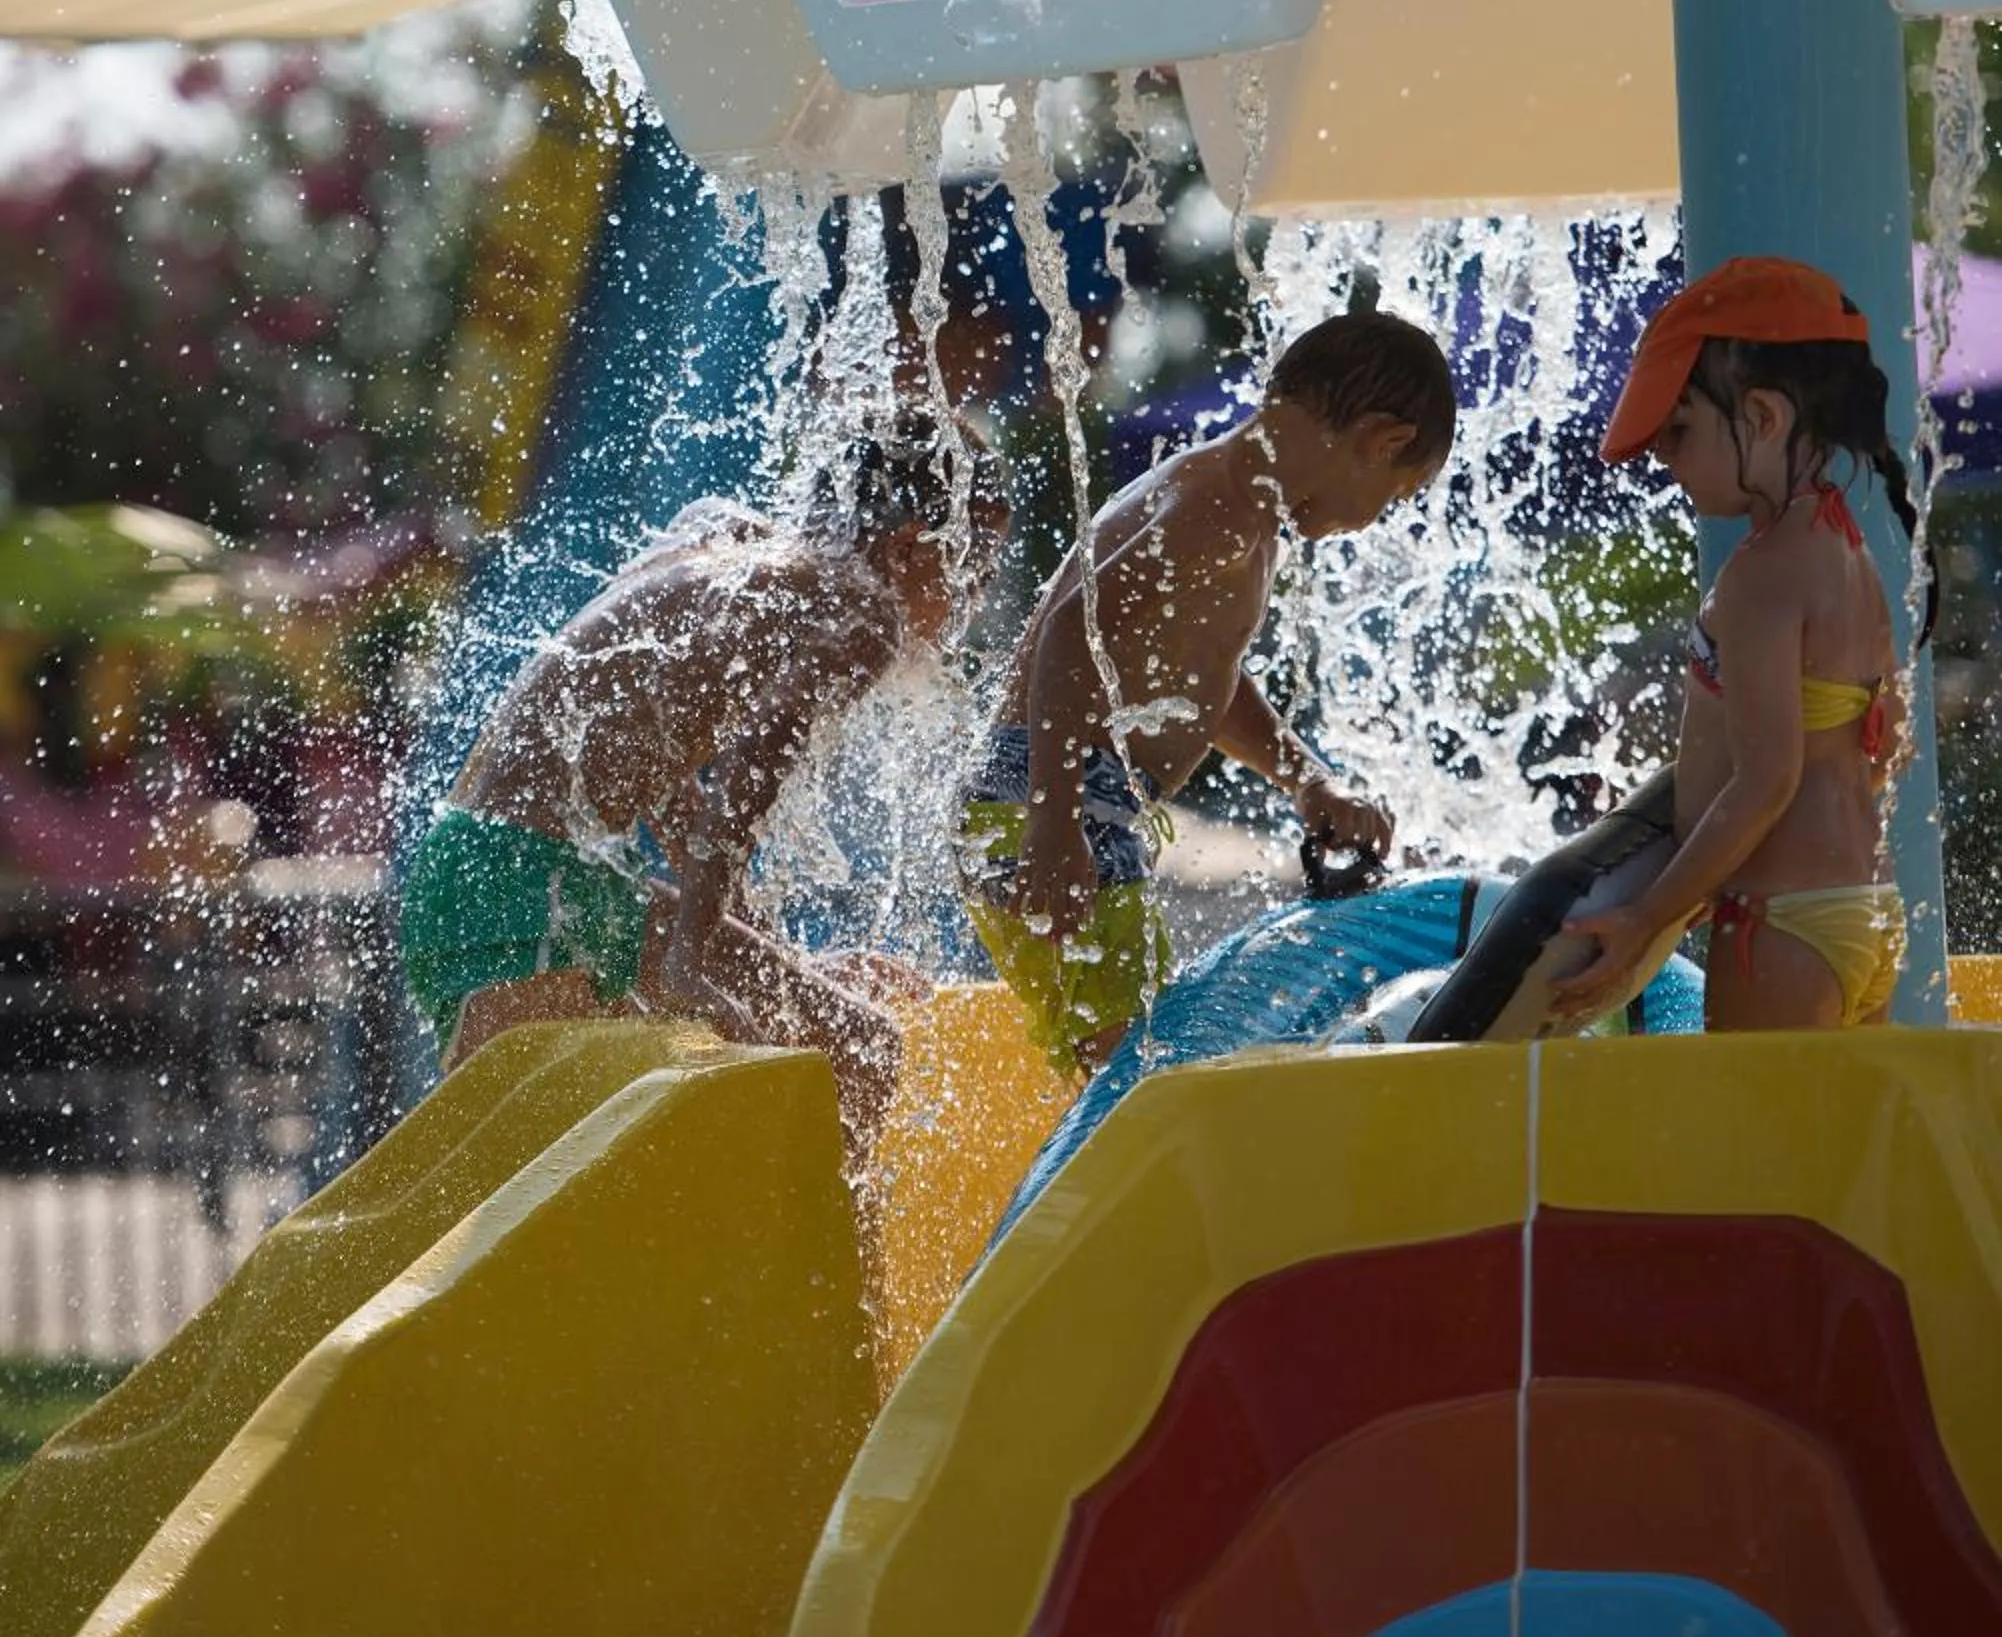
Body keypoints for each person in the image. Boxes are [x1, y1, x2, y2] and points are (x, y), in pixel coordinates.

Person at [401, 420, 1009, 1141]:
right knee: (862, 1052)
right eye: (973, 572)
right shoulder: (860, 610)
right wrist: (693, 955)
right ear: (909, 546)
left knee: (670, 1135)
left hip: (487, 870)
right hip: (533, 894)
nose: (968, 609)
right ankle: (838, 1261)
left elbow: (656, 766)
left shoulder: (734, 548)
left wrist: (780, 966)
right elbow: (746, 780)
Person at [958, 310, 1457, 1073]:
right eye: (1392, 496)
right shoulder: (1217, 510)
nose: (1370, 522)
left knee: (1136, 1064)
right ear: (1381, 442)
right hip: (1057, 804)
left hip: (1067, 803)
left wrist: (1306, 780)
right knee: (1145, 1073)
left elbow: (1205, 680)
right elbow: (1071, 630)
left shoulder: (1239, 510)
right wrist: (1053, 825)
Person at [1555, 256, 1923, 1033]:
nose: (1663, 458)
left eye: (1678, 430)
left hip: (1779, 925)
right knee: (1840, 1153)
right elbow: (1888, 748)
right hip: (1866, 909)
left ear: (1762, 418)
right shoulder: (1847, 555)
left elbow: (1763, 784)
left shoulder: (1760, 575)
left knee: (1757, 1154)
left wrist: (1650, 916)